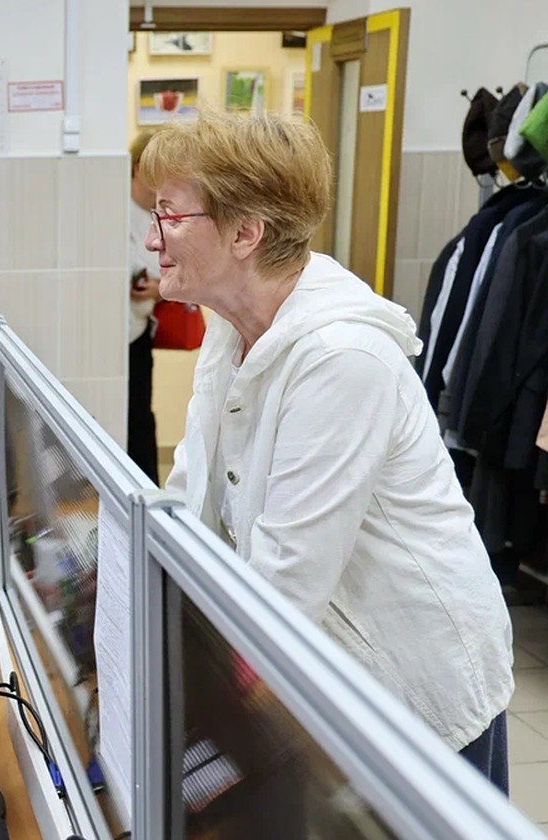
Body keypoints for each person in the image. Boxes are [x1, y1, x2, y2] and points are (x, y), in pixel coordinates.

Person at [143, 110, 514, 789]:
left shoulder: (341, 358)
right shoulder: (231, 333)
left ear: (245, 232)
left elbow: (286, 586)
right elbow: (187, 504)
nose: (151, 238)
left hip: (411, 685)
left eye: (168, 216)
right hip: (329, 671)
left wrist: (187, 727)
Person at [127, 128, 163, 484]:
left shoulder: (166, 212)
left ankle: (149, 497)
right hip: (108, 334)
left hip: (138, 333)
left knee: (140, 419)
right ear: (138, 167)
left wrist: (160, 288)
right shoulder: (113, 207)